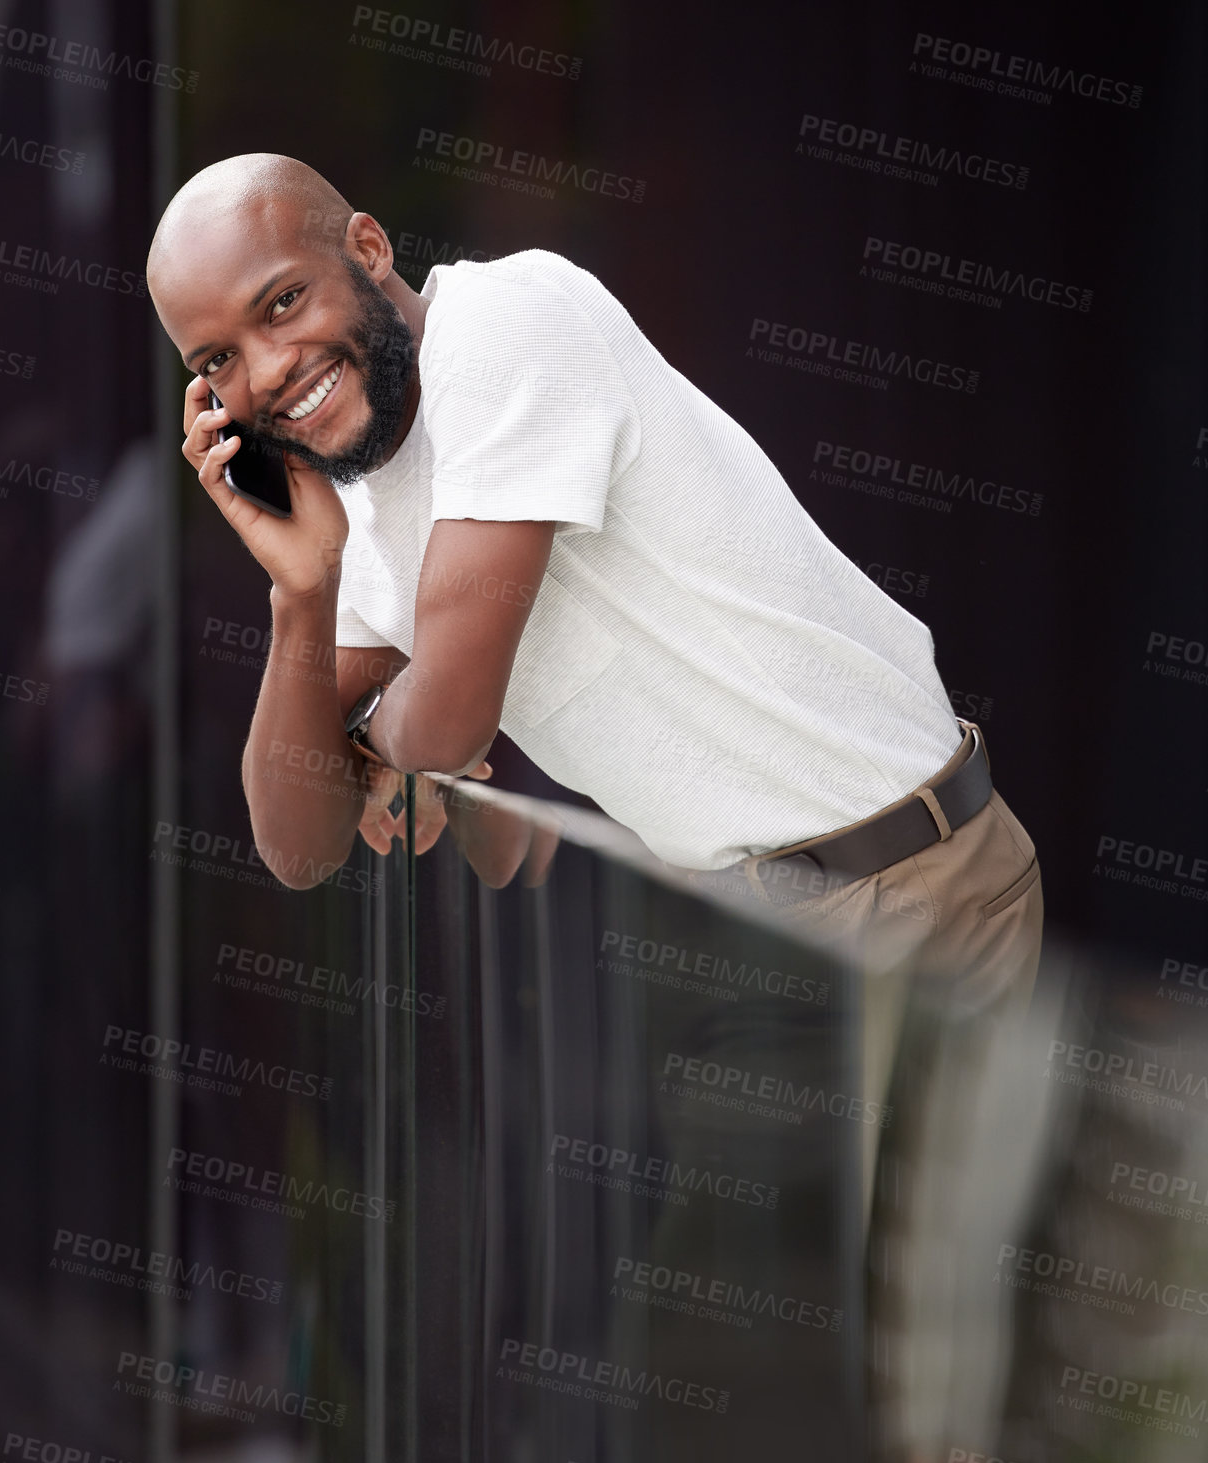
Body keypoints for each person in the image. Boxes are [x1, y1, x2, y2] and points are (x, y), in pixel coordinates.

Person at [146, 152, 1041, 1012]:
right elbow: (300, 846)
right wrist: (302, 595)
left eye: (284, 303)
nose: (264, 372)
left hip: (907, 884)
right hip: (748, 929)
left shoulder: (507, 326)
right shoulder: (364, 504)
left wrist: (380, 736)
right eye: (216, 361)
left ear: (368, 251)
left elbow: (444, 727)